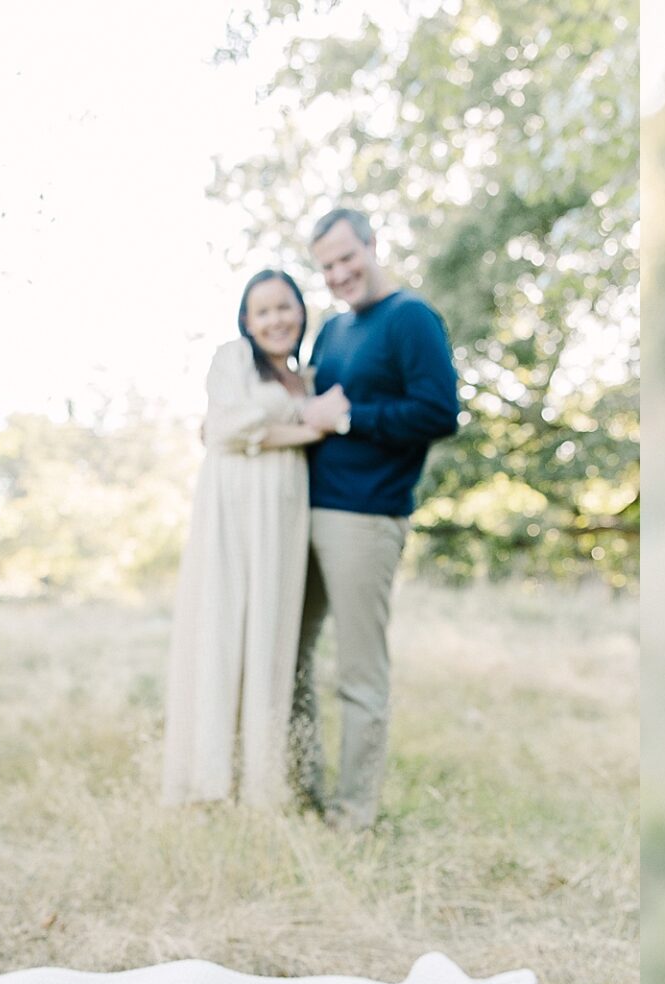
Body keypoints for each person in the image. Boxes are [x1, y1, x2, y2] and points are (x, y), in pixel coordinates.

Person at [292, 208, 460, 832]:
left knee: (359, 674)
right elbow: (306, 407)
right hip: (304, 511)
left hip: (364, 518)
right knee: (291, 657)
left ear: (371, 244)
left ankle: (353, 813)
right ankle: (301, 790)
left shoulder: (410, 318)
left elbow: (440, 413)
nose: (338, 274)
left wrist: (353, 418)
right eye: (326, 266)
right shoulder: (332, 330)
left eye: (345, 257)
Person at [161, 270, 333, 807]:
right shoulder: (232, 359)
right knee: (222, 627)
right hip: (234, 509)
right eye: (263, 311)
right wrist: (308, 425)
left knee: (270, 632)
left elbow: (246, 431)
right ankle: (209, 779)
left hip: (283, 514)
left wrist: (293, 422)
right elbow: (225, 429)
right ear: (246, 320)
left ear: (301, 312)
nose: (276, 320)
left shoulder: (306, 375)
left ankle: (260, 783)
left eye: (285, 307)